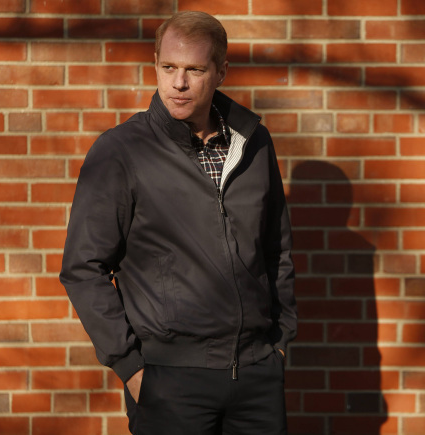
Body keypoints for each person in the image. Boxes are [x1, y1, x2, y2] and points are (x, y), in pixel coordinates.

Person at [59, 11, 297, 435]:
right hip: (169, 380)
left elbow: (276, 248)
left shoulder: (253, 143)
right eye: (168, 67)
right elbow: (83, 268)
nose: (178, 83)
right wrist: (132, 369)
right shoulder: (121, 151)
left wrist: (278, 344)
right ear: (155, 64)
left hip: (257, 374)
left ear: (221, 71)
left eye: (194, 70)